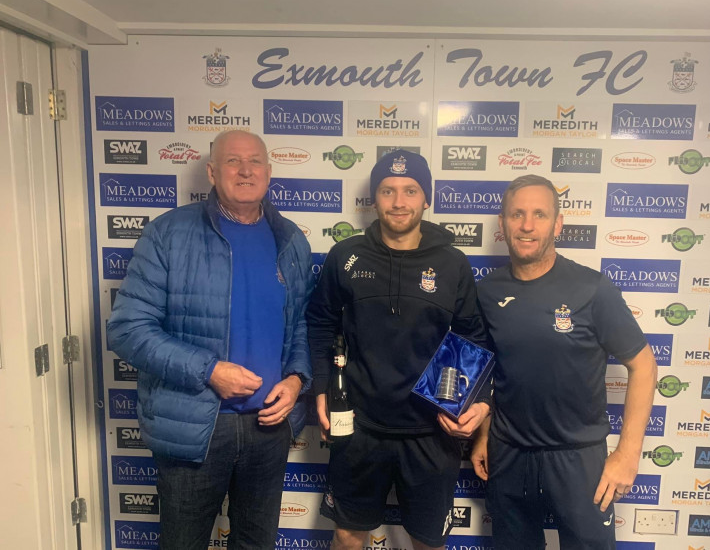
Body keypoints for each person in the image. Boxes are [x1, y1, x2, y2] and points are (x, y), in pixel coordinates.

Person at [107, 130, 314, 550]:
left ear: (269, 172)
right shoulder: (168, 234)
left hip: (268, 429)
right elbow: (127, 329)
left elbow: (300, 327)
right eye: (233, 161)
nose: (244, 170)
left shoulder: (291, 238)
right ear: (212, 171)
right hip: (193, 426)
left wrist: (296, 380)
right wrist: (210, 370)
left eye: (254, 161)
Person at [307, 149, 491, 550]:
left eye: (410, 190)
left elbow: (472, 338)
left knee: (427, 541)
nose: (399, 201)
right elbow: (320, 323)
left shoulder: (452, 263)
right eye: (388, 190)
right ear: (375, 199)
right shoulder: (346, 256)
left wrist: (471, 403)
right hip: (358, 428)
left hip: (431, 433)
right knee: (348, 534)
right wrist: (321, 386)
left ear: (427, 198)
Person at [472, 174, 657, 549]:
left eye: (539, 214)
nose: (527, 225)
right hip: (508, 455)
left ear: (558, 223)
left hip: (579, 461)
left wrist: (627, 454)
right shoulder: (487, 291)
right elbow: (488, 371)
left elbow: (645, 365)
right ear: (503, 224)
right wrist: (481, 434)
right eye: (517, 214)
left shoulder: (592, 288)